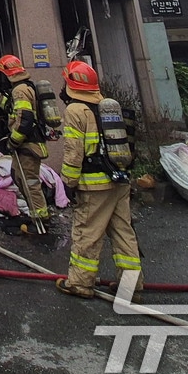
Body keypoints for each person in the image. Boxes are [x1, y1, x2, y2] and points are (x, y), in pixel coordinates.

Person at [56, 60, 142, 298]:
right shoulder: (107, 107)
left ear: (71, 84)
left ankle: (81, 284)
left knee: (87, 234)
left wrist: (68, 183)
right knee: (124, 233)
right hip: (119, 181)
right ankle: (131, 286)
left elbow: (74, 152)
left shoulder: (75, 111)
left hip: (94, 186)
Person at [0, 53, 51, 231]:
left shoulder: (20, 90)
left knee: (30, 182)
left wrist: (13, 141)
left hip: (28, 145)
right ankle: (36, 217)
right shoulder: (21, 88)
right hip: (27, 146)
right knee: (20, 178)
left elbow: (25, 120)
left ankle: (40, 221)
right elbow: (11, 109)